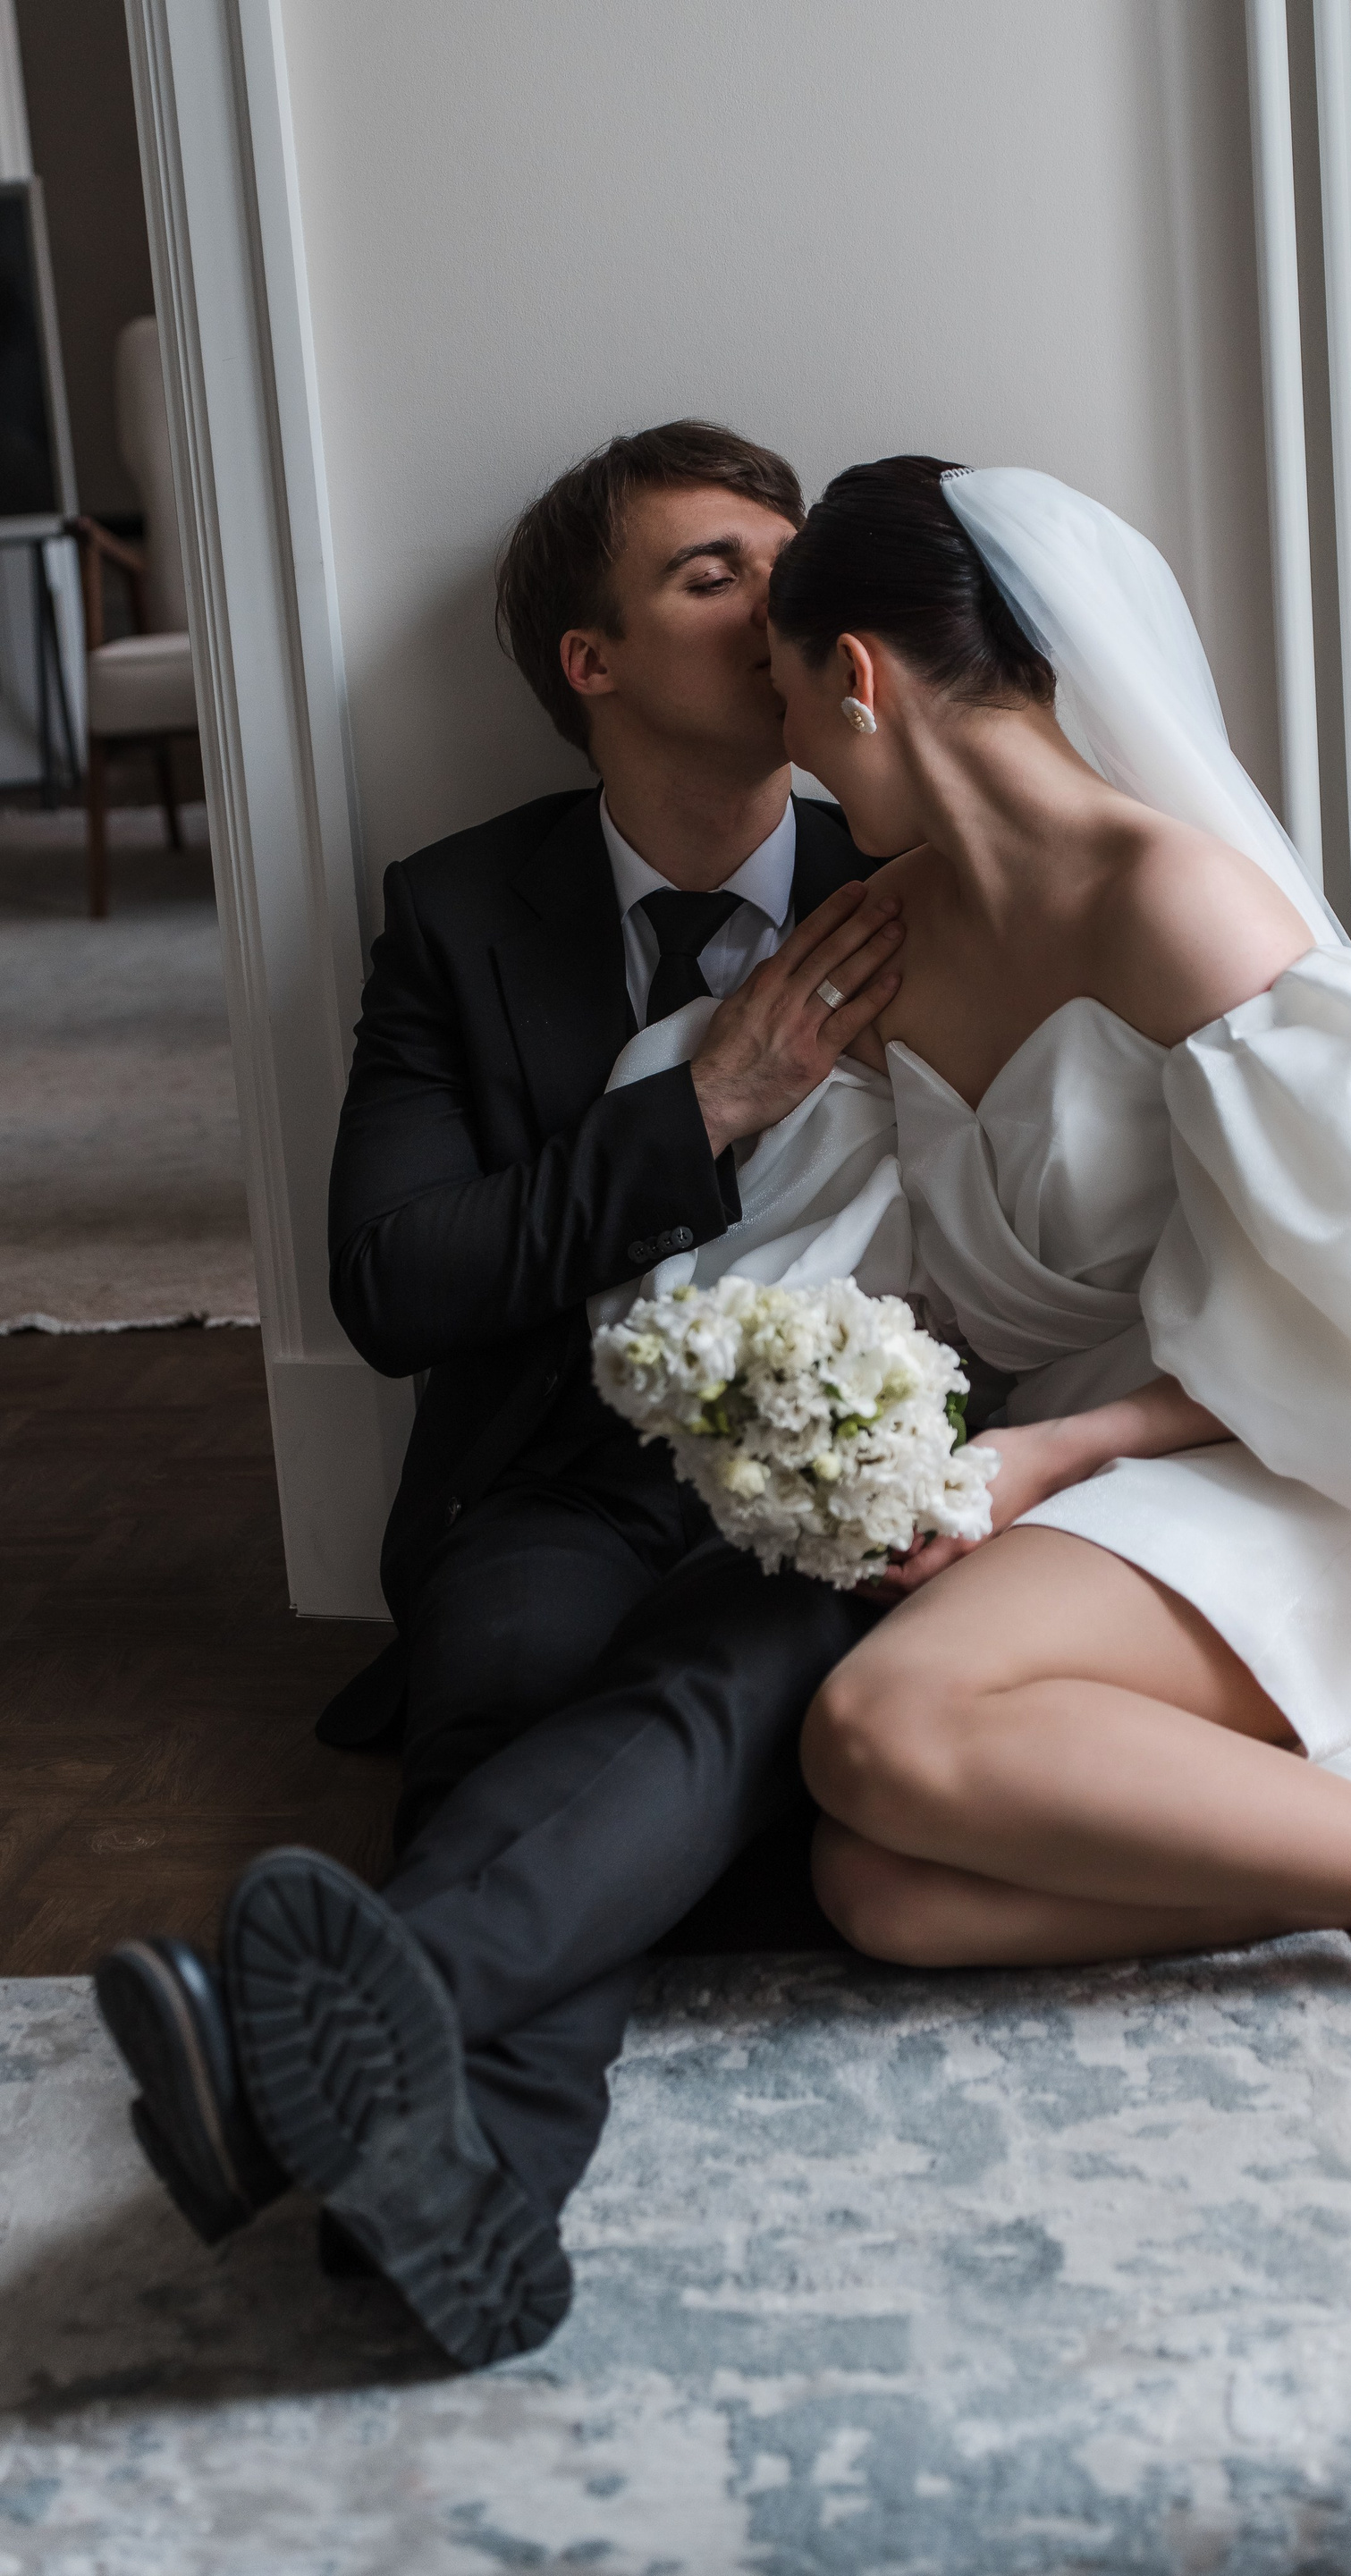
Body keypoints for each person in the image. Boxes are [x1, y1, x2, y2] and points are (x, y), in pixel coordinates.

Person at [92, 422, 908, 2369]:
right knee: (521, 1699)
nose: (777, 599)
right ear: (589, 660)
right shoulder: (460, 911)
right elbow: (397, 1281)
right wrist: (708, 1104)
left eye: (787, 561)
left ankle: (341, 2138)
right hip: (550, 1478)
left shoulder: (909, 884)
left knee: (675, 1712)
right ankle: (427, 2198)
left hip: (827, 1487)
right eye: (712, 572)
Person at [764, 458, 1351, 2009]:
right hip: (1074, 1477)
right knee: (885, 1889)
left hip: (1296, 1465)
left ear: (856, 677)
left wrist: (1060, 1450)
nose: (789, 754)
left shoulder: (1179, 904)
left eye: (786, 702)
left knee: (873, 1731)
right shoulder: (885, 937)